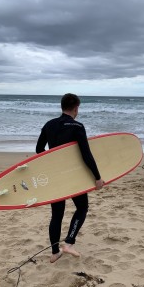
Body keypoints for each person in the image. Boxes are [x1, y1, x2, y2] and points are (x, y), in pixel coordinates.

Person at [36, 93, 104, 263]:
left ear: (62, 106)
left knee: (57, 214)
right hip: (72, 176)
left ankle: (54, 252)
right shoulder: (77, 126)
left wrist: (53, 164)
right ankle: (69, 243)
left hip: (55, 176)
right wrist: (97, 177)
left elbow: (39, 149)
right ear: (76, 108)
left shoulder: (49, 125)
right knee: (82, 208)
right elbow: (86, 155)